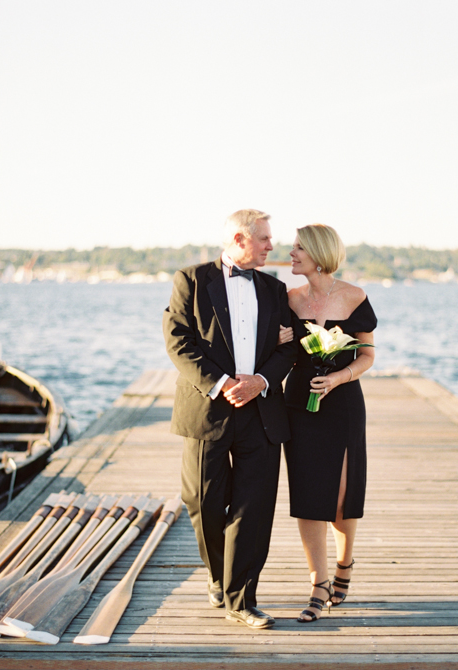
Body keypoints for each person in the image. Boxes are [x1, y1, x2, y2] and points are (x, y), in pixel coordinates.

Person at [162, 209, 296, 629]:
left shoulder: (276, 291)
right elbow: (177, 340)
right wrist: (221, 383)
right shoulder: (191, 279)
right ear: (240, 239)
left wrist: (260, 380)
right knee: (200, 501)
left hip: (260, 413)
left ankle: (242, 598)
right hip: (207, 411)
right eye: (265, 239)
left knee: (253, 509)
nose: (272, 246)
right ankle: (220, 576)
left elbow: (289, 350)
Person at [279, 223, 377, 623]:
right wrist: (282, 340)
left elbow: (367, 355)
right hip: (299, 404)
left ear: (319, 254)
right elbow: (279, 351)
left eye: (299, 248)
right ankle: (318, 583)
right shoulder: (289, 299)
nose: (291, 253)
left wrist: (338, 378)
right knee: (307, 493)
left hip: (343, 405)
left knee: (339, 498)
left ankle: (345, 562)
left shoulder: (355, 298)